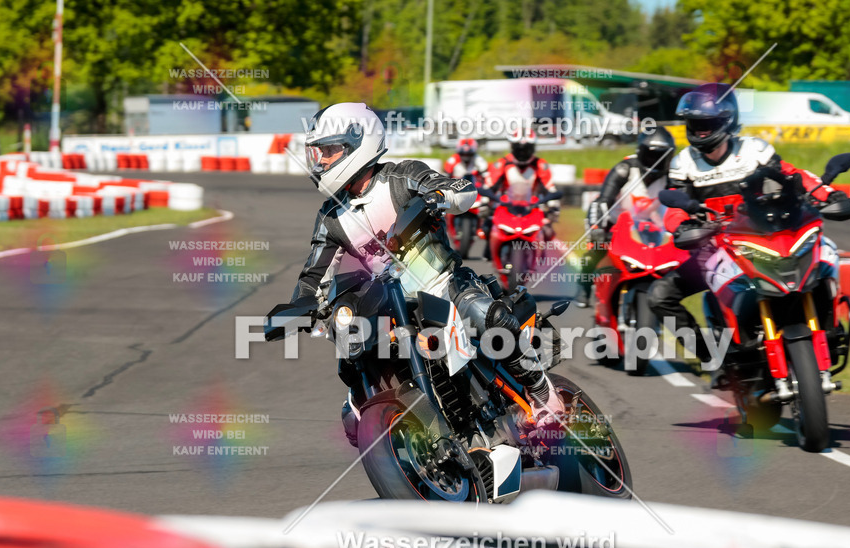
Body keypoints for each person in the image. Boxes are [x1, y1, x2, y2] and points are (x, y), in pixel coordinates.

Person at [264, 103, 564, 444]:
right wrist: (301, 305)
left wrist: (441, 196)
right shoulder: (331, 216)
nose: (322, 161)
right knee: (354, 364)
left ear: (357, 142)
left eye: (329, 150)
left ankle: (542, 392)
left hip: (445, 285)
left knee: (485, 314)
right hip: (392, 305)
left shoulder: (401, 177)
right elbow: (314, 273)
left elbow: (461, 189)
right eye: (319, 152)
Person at [647, 82, 850, 373]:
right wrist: (681, 226)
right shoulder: (683, 163)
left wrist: (827, 195)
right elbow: (674, 205)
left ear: (726, 121)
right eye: (695, 123)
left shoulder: (755, 150)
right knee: (660, 296)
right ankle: (712, 356)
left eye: (707, 123)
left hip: (763, 239)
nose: (701, 130)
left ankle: (828, 329)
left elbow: (793, 176)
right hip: (714, 250)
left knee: (823, 257)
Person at [576, 127, 676, 308]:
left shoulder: (672, 177)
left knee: (670, 266)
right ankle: (584, 287)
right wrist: (597, 228)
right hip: (614, 224)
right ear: (640, 152)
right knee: (595, 251)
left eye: (661, 156)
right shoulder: (624, 170)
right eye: (651, 155)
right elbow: (602, 200)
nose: (655, 161)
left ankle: (665, 308)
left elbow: (680, 206)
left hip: (650, 228)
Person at [482, 127, 560, 258]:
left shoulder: (540, 165)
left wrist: (554, 207)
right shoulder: (502, 164)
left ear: (533, 148)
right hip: (505, 205)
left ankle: (541, 254)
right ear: (512, 147)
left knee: (548, 231)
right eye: (519, 149)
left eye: (526, 149)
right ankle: (490, 251)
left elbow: (549, 188)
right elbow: (489, 186)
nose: (522, 152)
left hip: (533, 206)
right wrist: (485, 203)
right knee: (487, 226)